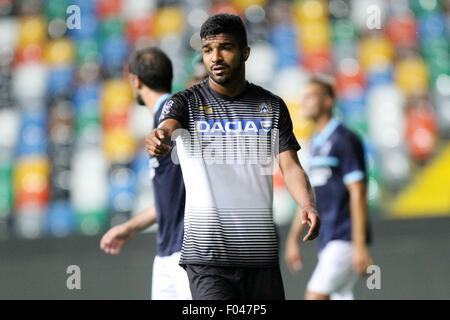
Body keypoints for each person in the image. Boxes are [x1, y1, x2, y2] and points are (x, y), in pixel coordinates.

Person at [145, 14, 320, 300]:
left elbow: (289, 166)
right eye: (208, 50)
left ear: (245, 51)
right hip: (207, 257)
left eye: (225, 47)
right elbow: (166, 128)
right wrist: (159, 138)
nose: (215, 57)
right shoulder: (184, 103)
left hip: (259, 255)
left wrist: (306, 202)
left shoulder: (271, 106)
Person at [100, 47, 191, 300]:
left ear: (135, 80)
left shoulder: (172, 117)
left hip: (187, 252)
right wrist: (131, 227)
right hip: (167, 251)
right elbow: (174, 195)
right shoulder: (166, 117)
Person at [284, 77, 374, 300]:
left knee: (314, 296)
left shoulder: (345, 139)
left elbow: (358, 191)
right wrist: (293, 238)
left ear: (328, 101)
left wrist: (359, 245)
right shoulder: (315, 143)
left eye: (310, 96)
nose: (304, 102)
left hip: (344, 237)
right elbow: (310, 195)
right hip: (328, 238)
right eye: (303, 97)